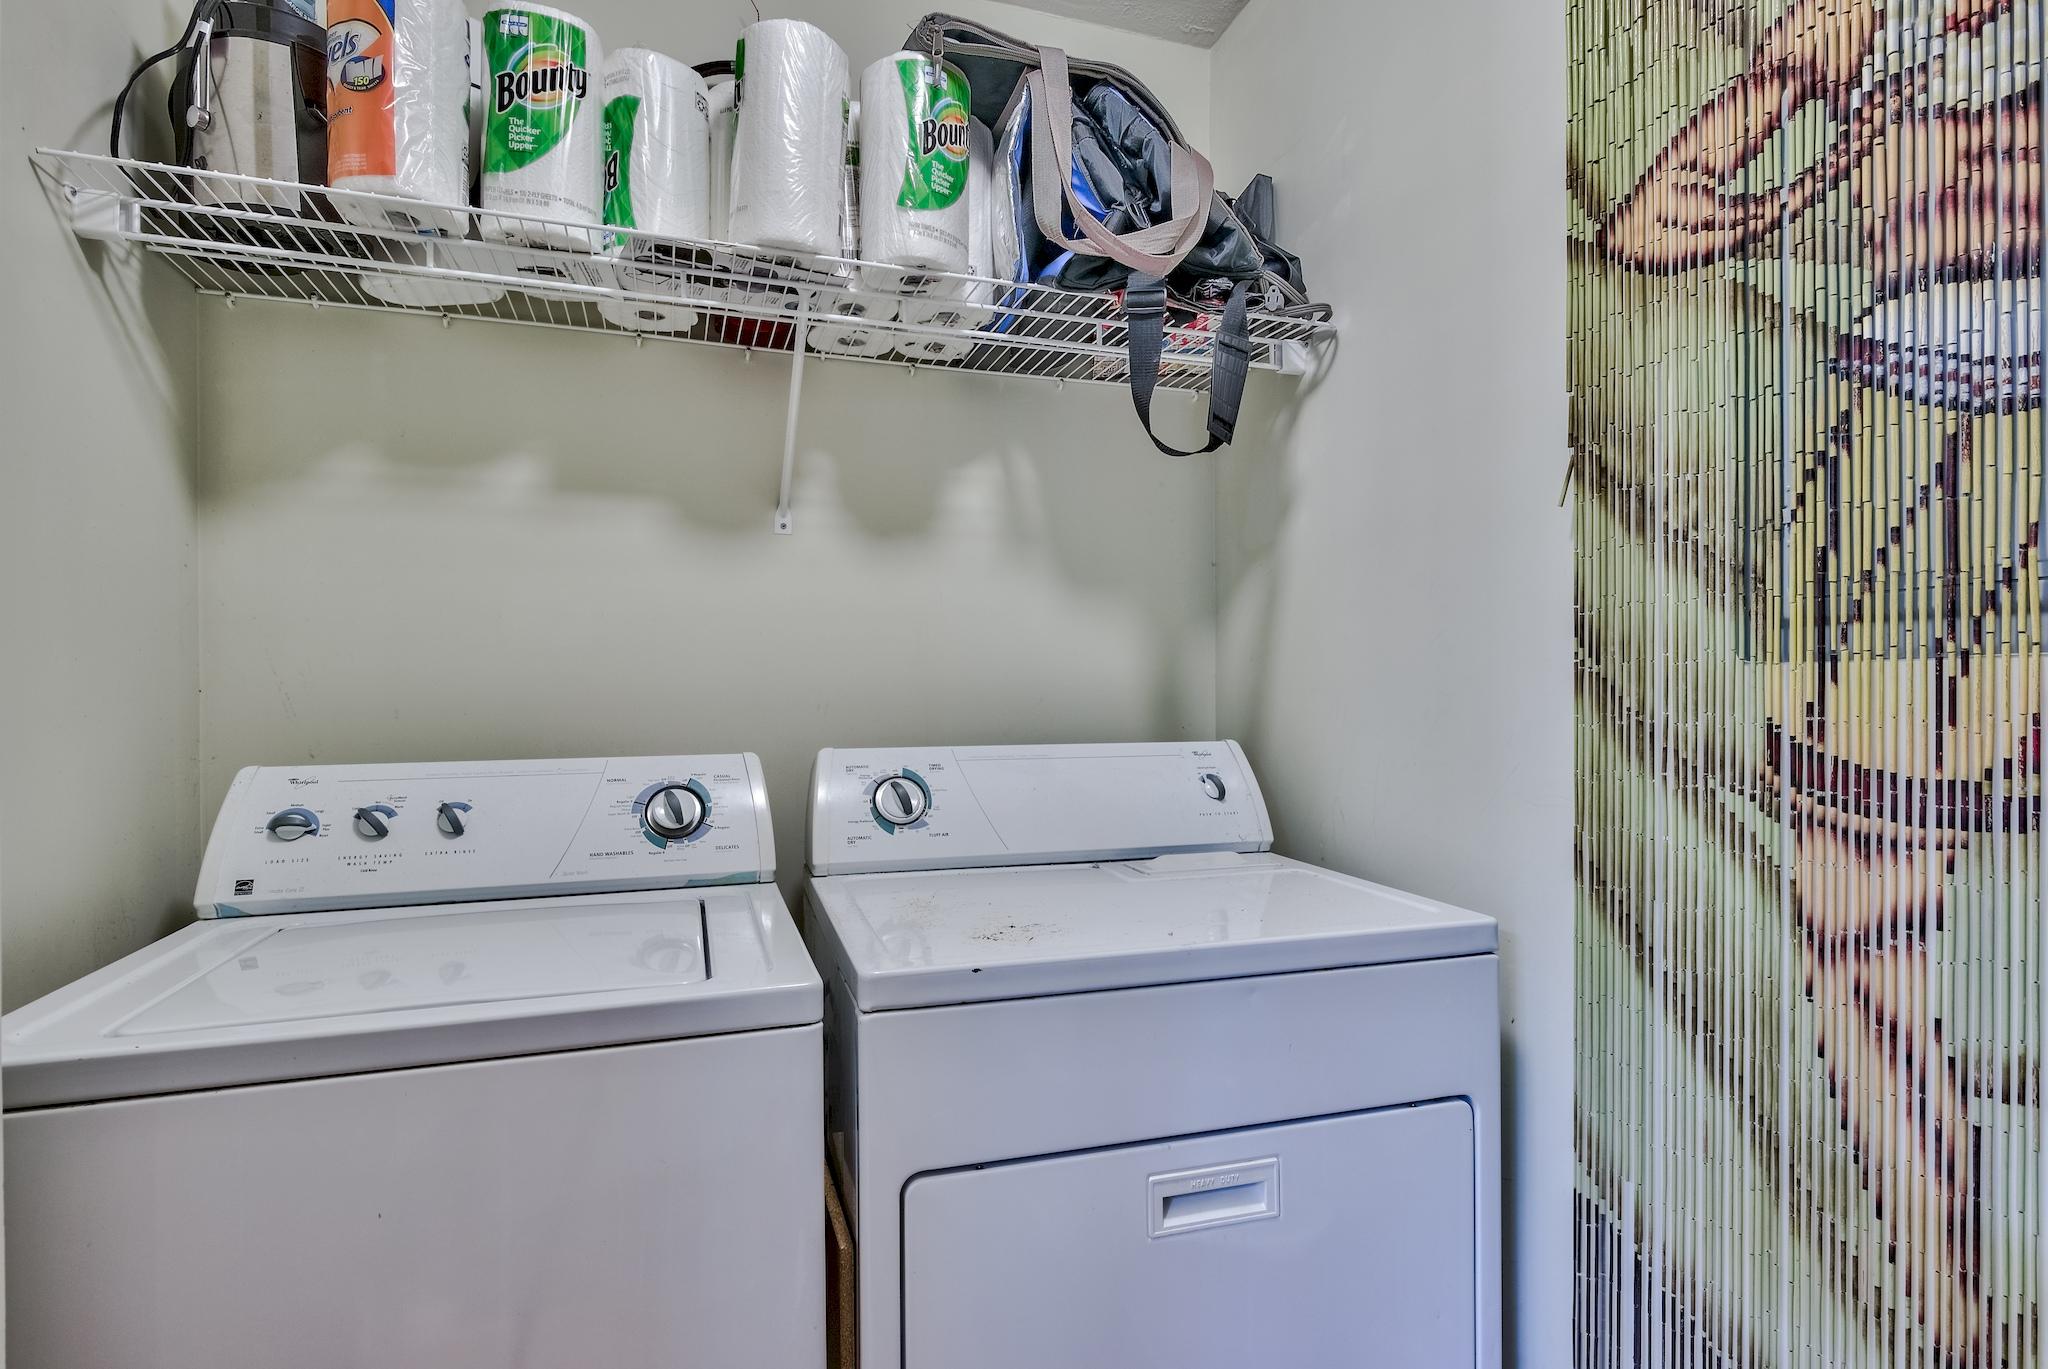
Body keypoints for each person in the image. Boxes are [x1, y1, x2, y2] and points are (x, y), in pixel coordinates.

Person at [1599, 0, 2041, 1361]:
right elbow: (1646, 220)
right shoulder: (1861, 18)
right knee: (1860, 940)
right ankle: (1962, 1325)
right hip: (1911, 445)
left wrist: (1822, 175)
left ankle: (1965, 1330)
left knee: (1863, 950)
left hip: (1921, 441)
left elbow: (1646, 219)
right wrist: (1811, 182)